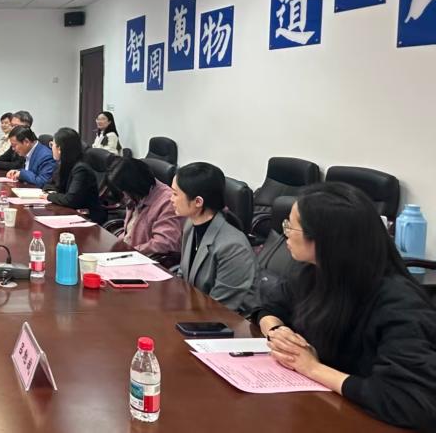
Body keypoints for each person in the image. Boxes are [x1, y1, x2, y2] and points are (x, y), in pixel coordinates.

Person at [257, 183, 436, 430]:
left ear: (324, 239)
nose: (284, 232)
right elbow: (269, 309)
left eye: (291, 226)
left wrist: (313, 368)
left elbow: (409, 402)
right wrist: (277, 332)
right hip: (324, 408)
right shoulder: (312, 272)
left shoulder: (399, 304)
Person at [171, 162, 257, 312]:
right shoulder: (190, 225)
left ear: (198, 202)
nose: (170, 198)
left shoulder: (233, 247)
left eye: (175, 194)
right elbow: (183, 274)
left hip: (218, 319)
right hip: (192, 310)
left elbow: (221, 307)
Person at [106, 158, 184, 257]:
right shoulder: (138, 194)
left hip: (146, 259)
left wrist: (130, 252)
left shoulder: (168, 202)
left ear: (135, 185)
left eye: (126, 191)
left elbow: (165, 243)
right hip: (130, 253)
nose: (125, 196)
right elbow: (130, 231)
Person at [41, 127, 105, 223]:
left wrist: (49, 196)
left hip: (86, 217)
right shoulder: (64, 164)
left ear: (59, 149)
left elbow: (71, 200)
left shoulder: (81, 169)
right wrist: (52, 192)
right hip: (69, 212)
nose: (51, 148)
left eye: (52, 144)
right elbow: (48, 185)